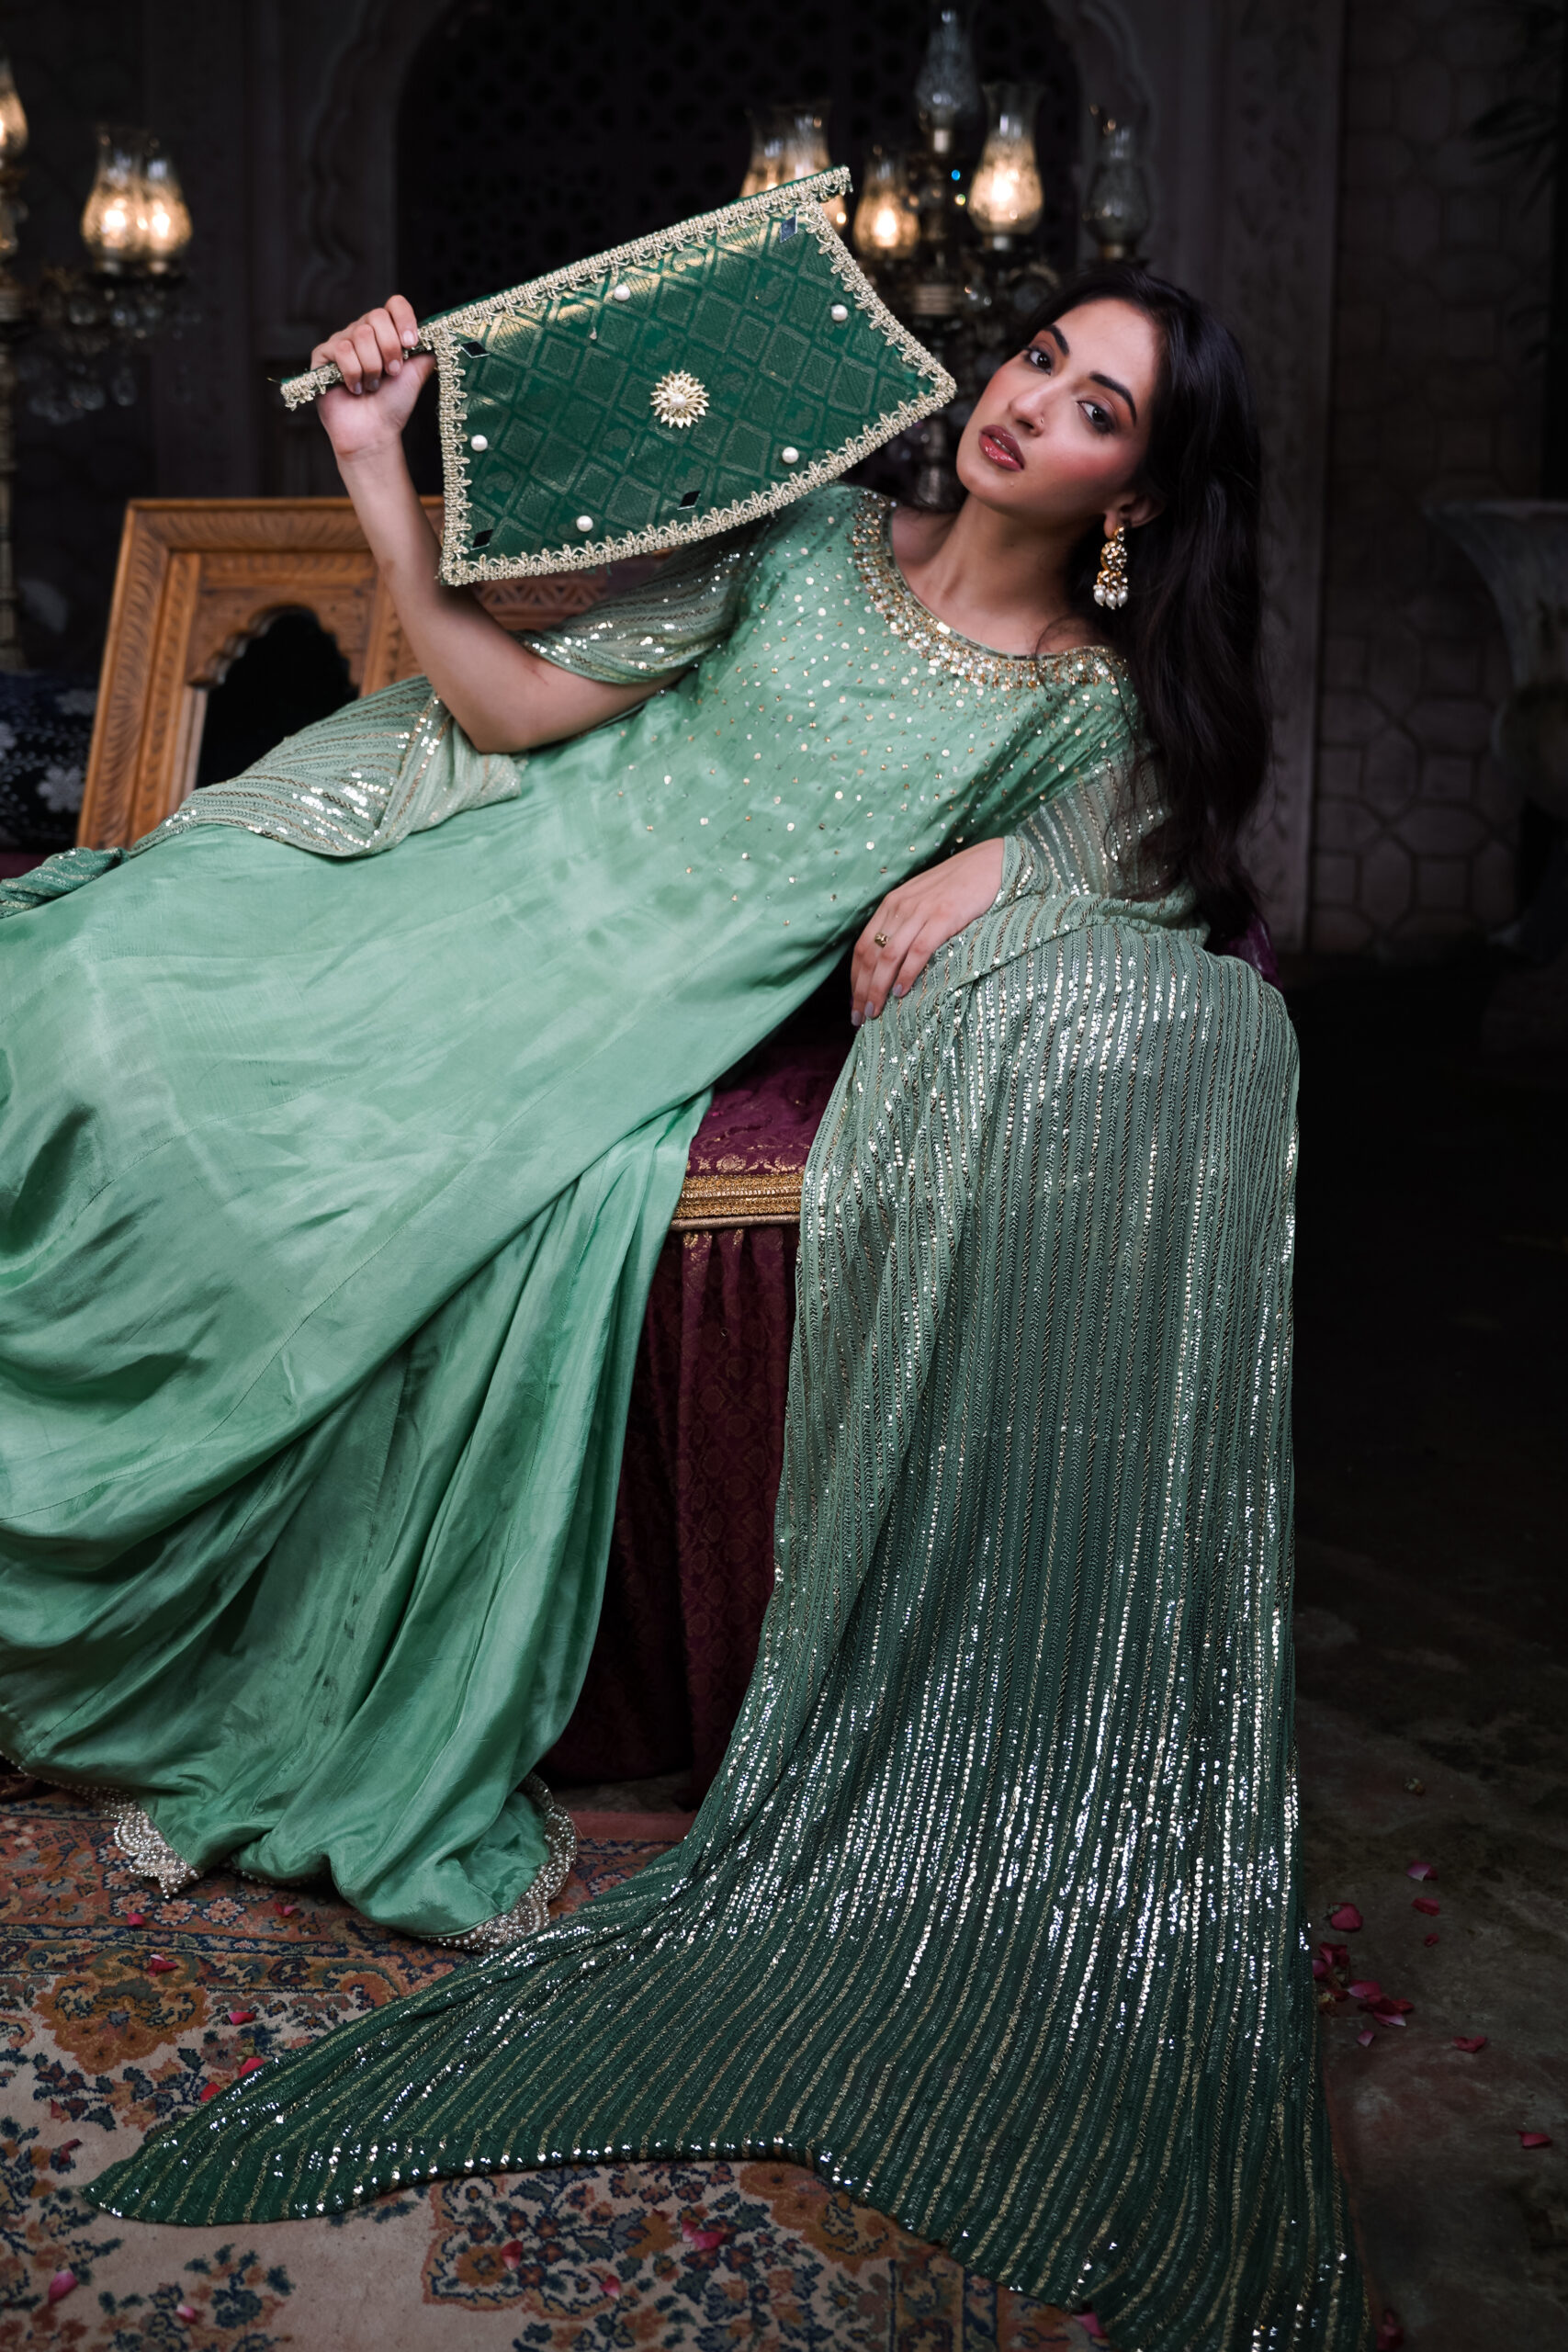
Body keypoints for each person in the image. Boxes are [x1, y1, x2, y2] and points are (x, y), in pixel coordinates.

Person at [8, 261, 1368, 2346]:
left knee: (333, 1194)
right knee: (90, 1000)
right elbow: (514, 712)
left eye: (1095, 406)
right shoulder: (813, 535)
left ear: (1144, 491)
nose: (1028, 404)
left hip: (614, 1012)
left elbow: (1175, 882)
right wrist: (376, 464)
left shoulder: (1085, 711)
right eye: (1036, 358)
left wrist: (1010, 872)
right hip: (477, 886)